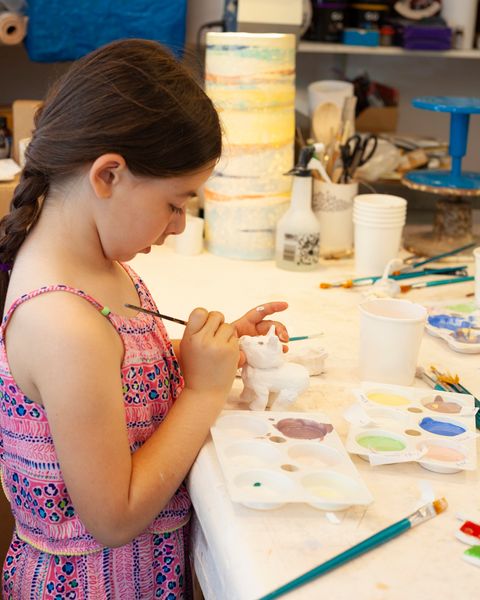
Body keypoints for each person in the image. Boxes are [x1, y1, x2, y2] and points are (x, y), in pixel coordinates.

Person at [0, 39, 289, 599]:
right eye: (176, 203)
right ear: (108, 175)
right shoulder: (63, 322)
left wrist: (199, 353)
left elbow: (117, 383)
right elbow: (114, 517)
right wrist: (203, 393)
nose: (179, 226)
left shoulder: (100, 263)